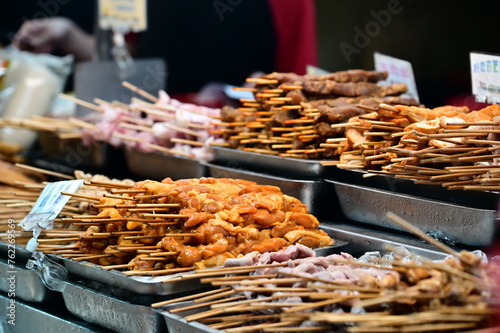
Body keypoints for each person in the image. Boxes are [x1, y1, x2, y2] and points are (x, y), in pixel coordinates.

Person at [10, 0, 318, 99]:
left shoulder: (289, 4)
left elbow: (300, 87)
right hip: (141, 144)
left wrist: (262, 92)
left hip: (232, 160)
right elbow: (121, 61)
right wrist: (67, 34)